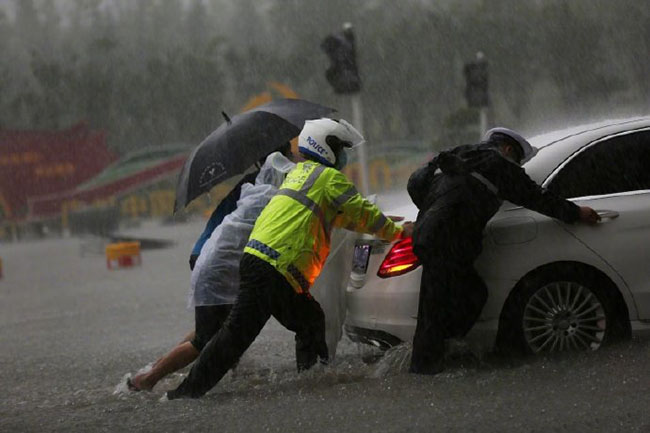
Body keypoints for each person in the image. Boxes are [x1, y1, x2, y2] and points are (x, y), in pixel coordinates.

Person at [167, 118, 414, 399]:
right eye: (340, 147)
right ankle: (184, 394)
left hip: (266, 264)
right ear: (325, 147)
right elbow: (360, 211)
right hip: (274, 268)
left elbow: (347, 216)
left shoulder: (302, 174)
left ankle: (312, 380)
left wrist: (384, 223)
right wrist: (397, 231)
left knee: (309, 320)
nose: (344, 155)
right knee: (235, 337)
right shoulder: (328, 178)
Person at [406, 127, 601, 375]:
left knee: (443, 303)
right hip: (450, 240)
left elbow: (415, 182)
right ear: (508, 149)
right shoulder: (498, 164)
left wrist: (431, 212)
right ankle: (431, 365)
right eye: (518, 159)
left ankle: (433, 359)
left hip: (431, 236)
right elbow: (536, 197)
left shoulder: (460, 153)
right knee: (450, 304)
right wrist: (576, 213)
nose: (517, 165)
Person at [126, 146, 294, 392]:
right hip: (217, 259)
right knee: (206, 337)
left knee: (215, 327)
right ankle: (149, 379)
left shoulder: (255, 182)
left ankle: (159, 368)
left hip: (211, 253)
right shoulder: (265, 186)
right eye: (290, 152)